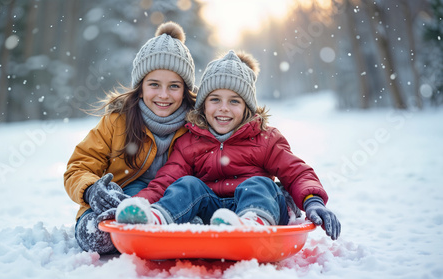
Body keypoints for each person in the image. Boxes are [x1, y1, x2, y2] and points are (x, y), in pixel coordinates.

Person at [115, 50, 341, 240]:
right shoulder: (189, 141)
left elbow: (296, 172)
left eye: (234, 101)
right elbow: (166, 180)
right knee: (187, 184)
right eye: (215, 100)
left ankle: (251, 224)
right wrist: (139, 203)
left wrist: (312, 201)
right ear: (203, 106)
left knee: (258, 185)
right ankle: (154, 218)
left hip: (262, 208)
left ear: (247, 108)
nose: (223, 108)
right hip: (215, 214)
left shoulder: (265, 138)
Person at [64, 21, 197, 254]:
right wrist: (90, 190)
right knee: (100, 237)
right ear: (141, 86)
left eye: (174, 86)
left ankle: (166, 227)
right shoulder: (118, 121)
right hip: (115, 199)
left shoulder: (197, 127)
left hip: (167, 205)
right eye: (154, 84)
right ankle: (105, 227)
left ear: (185, 90)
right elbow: (79, 166)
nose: (163, 95)